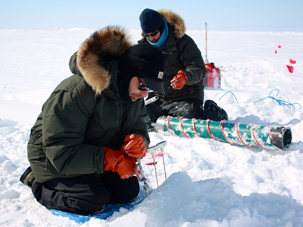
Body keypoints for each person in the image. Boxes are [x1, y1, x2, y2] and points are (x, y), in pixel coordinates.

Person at [19, 26, 165, 215]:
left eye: (150, 89)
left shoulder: (133, 95)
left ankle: (92, 179)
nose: (144, 94)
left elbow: (138, 126)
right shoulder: (76, 92)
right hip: (52, 159)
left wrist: (139, 141)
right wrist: (112, 160)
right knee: (92, 200)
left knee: (128, 191)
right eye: (143, 86)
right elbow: (61, 152)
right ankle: (35, 181)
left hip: (93, 154)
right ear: (127, 73)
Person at [138, 8, 228, 131]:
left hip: (186, 94)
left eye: (153, 34)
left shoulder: (183, 42)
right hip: (159, 97)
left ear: (162, 28)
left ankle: (214, 112)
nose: (151, 38)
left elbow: (199, 69)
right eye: (147, 35)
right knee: (143, 121)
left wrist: (185, 77)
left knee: (191, 123)